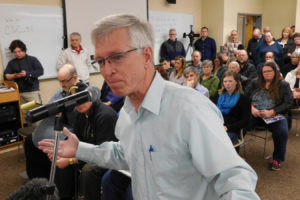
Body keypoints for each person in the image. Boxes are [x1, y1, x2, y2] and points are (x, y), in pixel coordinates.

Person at [39, 13, 259, 200]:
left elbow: (235, 178)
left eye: (116, 57)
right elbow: (127, 153)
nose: (107, 71)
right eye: (101, 61)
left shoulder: (188, 107)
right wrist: (81, 149)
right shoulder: (126, 112)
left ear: (146, 55)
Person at [52, 82, 118, 200]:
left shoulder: (106, 116)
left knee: (89, 171)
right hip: (88, 152)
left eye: (82, 99)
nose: (79, 104)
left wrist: (71, 160)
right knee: (59, 160)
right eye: (75, 101)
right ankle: (66, 196)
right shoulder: (79, 114)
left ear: (91, 98)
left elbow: (102, 153)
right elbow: (75, 139)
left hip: (108, 156)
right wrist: (61, 151)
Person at [24, 64, 80, 181]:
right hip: (55, 124)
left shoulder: (82, 93)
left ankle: (49, 180)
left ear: (74, 78)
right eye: (60, 81)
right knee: (29, 141)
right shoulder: (61, 92)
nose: (62, 85)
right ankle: (37, 180)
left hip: (70, 130)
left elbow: (79, 119)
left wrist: (64, 111)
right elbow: (51, 105)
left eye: (64, 81)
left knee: (47, 145)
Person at [246, 61, 293, 171]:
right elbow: (245, 97)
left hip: (274, 115)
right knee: (239, 123)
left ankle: (277, 158)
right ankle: (234, 154)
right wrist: (251, 108)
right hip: (255, 114)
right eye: (264, 72)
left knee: (282, 131)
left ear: (275, 71)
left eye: (269, 71)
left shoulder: (283, 84)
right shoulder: (255, 82)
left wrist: (272, 112)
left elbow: (289, 103)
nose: (266, 73)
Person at [3, 40, 44, 125]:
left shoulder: (32, 59)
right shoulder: (12, 63)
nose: (17, 54)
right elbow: (5, 76)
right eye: (15, 52)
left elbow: (40, 71)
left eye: (19, 51)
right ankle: (29, 137)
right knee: (25, 117)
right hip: (19, 93)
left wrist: (27, 74)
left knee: (37, 115)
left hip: (32, 92)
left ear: (24, 50)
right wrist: (15, 76)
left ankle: (40, 136)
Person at [217, 71, 250, 149]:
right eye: (225, 81)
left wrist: (228, 127)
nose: (227, 84)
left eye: (230, 81)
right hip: (219, 126)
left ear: (236, 82)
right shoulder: (219, 96)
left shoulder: (244, 99)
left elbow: (245, 121)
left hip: (233, 130)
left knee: (218, 142)